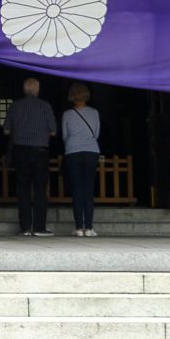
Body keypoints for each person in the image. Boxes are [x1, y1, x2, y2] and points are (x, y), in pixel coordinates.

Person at [4, 77, 57, 238]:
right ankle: (40, 227)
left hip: (20, 151)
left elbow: (6, 130)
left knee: (23, 189)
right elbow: (53, 131)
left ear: (24, 90)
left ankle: (25, 228)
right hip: (40, 151)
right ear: (38, 90)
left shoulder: (15, 106)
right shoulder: (45, 106)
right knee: (40, 189)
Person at [61, 82, 102, 238]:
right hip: (91, 150)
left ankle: (79, 227)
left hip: (73, 151)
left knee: (77, 189)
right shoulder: (95, 113)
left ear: (72, 96)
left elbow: (64, 135)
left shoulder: (67, 114)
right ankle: (90, 227)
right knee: (89, 189)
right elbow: (96, 133)